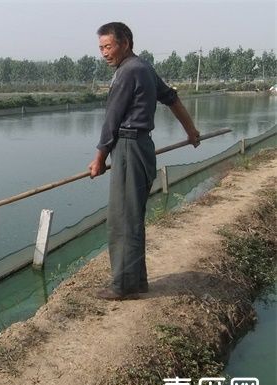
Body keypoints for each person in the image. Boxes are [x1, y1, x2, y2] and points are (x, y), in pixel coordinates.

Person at [88, 22, 200, 300]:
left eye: (108, 46)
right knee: (133, 215)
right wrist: (191, 131)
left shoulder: (127, 72)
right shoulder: (145, 68)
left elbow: (112, 121)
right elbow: (172, 98)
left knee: (123, 218)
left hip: (128, 148)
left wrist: (99, 157)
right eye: (101, 47)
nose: (104, 53)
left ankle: (123, 286)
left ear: (125, 42)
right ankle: (136, 281)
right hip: (142, 147)